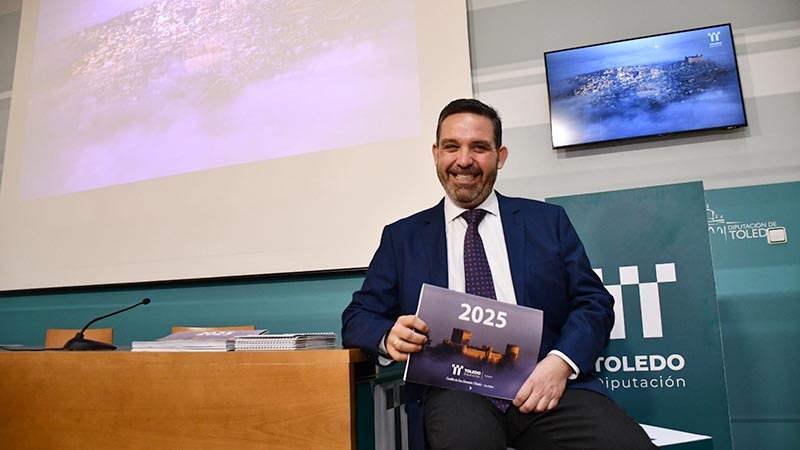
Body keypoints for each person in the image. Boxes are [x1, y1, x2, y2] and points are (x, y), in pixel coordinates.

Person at [341, 98, 655, 450]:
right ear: (435, 154)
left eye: (479, 147)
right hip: (454, 391)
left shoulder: (547, 222)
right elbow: (357, 318)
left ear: (500, 156)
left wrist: (560, 364)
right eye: (451, 147)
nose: (463, 160)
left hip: (545, 385)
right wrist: (388, 336)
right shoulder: (402, 237)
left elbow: (593, 302)